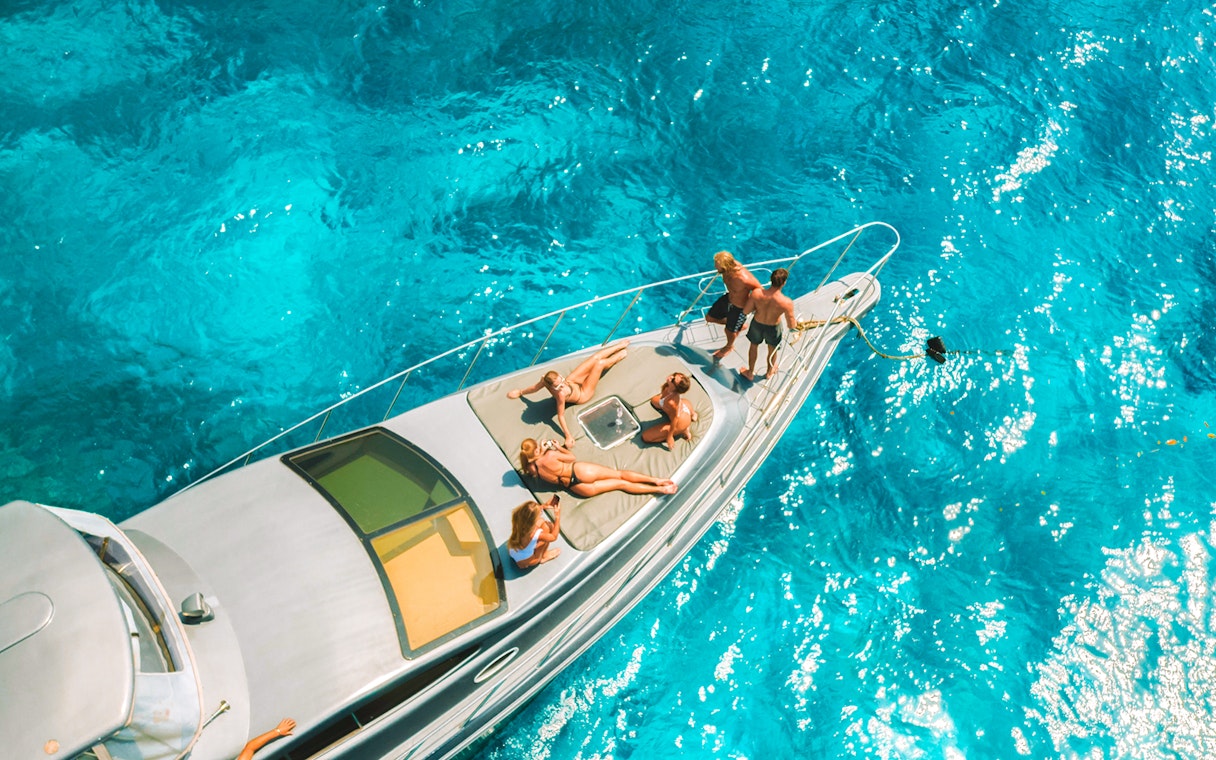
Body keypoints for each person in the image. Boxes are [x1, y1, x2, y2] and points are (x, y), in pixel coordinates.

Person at [507, 340, 629, 447]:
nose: (562, 386)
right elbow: (560, 416)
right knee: (599, 364)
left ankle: (618, 346)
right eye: (559, 386)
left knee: (594, 359)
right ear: (551, 386)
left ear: (559, 376)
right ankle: (617, 357)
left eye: (561, 381)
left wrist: (520, 392)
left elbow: (534, 388)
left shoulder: (552, 380)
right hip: (582, 394)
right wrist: (568, 436)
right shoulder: (560, 394)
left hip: (573, 382)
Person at [519, 438, 677, 497]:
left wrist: (539, 452)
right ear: (538, 449)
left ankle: (659, 490)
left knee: (621, 485)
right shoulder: (550, 455)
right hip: (579, 471)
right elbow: (571, 457)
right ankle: (657, 481)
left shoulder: (532, 470)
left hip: (576, 487)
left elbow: (535, 464)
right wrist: (555, 447)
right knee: (619, 474)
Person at [740, 268, 798, 381]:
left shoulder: (756, 294)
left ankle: (750, 372)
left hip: (757, 324)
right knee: (772, 350)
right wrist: (795, 327)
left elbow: (746, 311)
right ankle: (769, 372)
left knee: (753, 346)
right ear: (784, 283)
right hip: (773, 328)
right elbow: (791, 324)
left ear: (770, 280)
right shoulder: (786, 302)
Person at [705, 251, 762, 361]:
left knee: (729, 331)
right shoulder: (727, 269)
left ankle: (729, 346)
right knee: (709, 318)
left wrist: (753, 306)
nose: (715, 267)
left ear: (726, 265)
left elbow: (759, 290)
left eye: (717, 265)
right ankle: (737, 326)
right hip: (728, 299)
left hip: (739, 308)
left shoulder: (743, 278)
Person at [642, 372, 698, 449]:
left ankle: (685, 429)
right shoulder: (668, 387)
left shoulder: (672, 402)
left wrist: (670, 436)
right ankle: (692, 413)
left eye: (673, 380)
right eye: (674, 375)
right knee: (653, 400)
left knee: (646, 437)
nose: (671, 377)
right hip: (684, 408)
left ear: (675, 388)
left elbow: (676, 417)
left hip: (680, 422)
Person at [507, 496, 562, 568]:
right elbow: (554, 537)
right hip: (528, 561)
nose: (540, 514)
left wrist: (544, 506)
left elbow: (529, 513)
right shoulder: (534, 534)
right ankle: (543, 556)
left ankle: (528, 555)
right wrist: (557, 517)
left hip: (512, 551)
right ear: (533, 521)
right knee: (549, 526)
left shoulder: (517, 519)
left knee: (542, 521)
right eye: (539, 514)